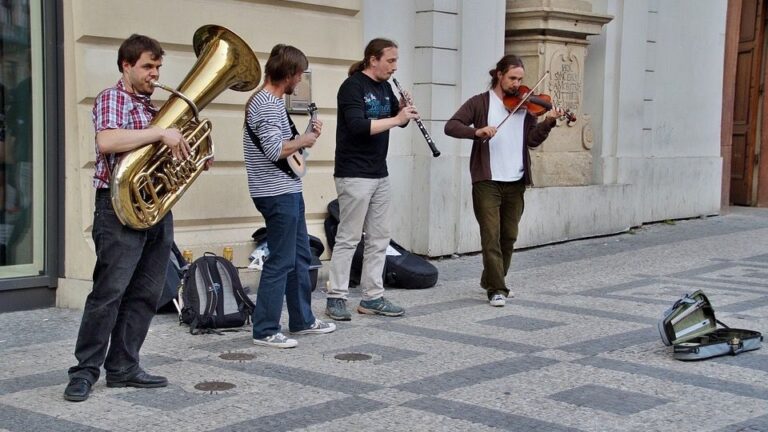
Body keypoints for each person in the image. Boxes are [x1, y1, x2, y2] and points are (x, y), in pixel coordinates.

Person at [64, 34, 192, 402]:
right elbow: (106, 141)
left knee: (146, 292)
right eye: (147, 66)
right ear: (126, 65)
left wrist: (185, 151)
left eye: (158, 67)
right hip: (117, 208)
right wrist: (160, 133)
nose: (155, 74)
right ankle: (84, 371)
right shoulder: (112, 98)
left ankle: (123, 367)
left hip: (156, 208)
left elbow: (164, 156)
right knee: (108, 293)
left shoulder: (158, 110)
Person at [444, 54, 563, 307]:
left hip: (516, 180)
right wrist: (477, 131)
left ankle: (491, 278)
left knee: (508, 236)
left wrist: (550, 122)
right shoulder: (480, 103)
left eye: (520, 79)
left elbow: (531, 140)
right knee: (490, 235)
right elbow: (451, 126)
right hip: (487, 180)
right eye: (512, 78)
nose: (517, 84)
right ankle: (497, 288)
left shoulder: (526, 106)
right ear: (499, 75)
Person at [243, 44, 335, 349]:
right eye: (299, 74)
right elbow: (275, 150)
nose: (300, 80)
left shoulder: (272, 103)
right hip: (276, 193)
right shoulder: (266, 104)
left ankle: (302, 320)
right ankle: (265, 329)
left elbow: (291, 153)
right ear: (289, 73)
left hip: (287, 189)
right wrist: (305, 138)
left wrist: (306, 136)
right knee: (281, 260)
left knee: (298, 257)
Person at [325, 38, 419, 321]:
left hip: (379, 172)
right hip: (354, 172)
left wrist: (402, 111)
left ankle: (372, 297)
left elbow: (393, 119)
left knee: (379, 238)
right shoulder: (353, 87)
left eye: (395, 61)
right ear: (372, 59)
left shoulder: (386, 87)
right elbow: (356, 126)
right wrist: (396, 118)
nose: (395, 66)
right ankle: (336, 297)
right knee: (348, 238)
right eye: (390, 60)